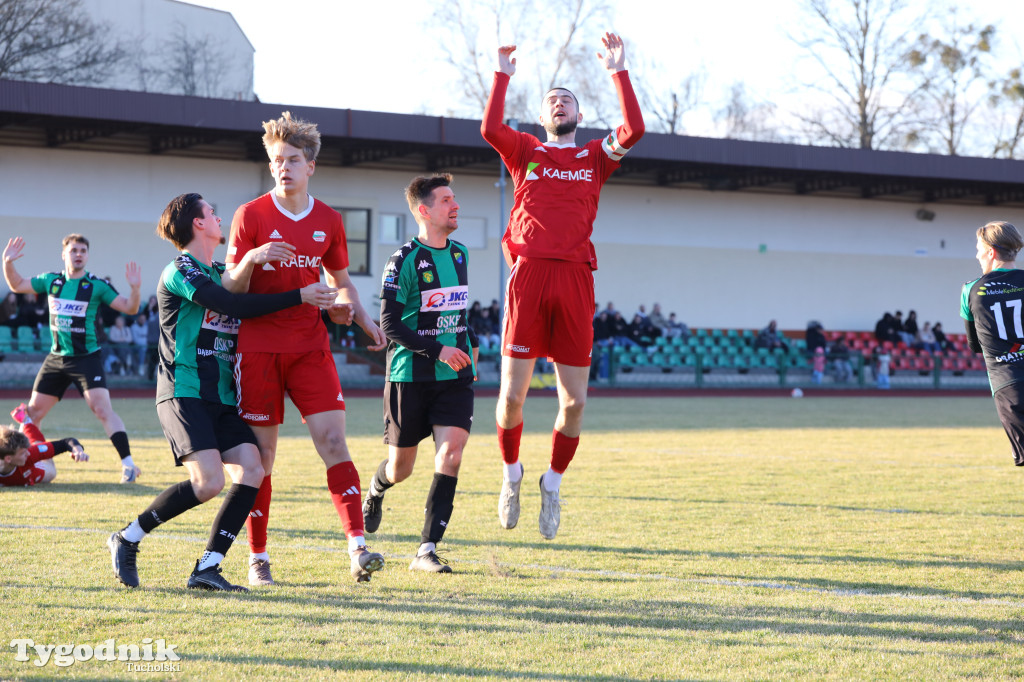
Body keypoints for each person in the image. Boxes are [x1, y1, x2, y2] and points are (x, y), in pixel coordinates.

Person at [106, 192, 337, 592]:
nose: (218, 217)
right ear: (198, 224)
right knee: (208, 483)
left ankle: (208, 567)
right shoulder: (180, 270)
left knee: (253, 469)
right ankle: (127, 538)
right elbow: (231, 305)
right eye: (211, 213)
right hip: (185, 391)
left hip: (223, 396)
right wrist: (299, 295)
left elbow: (241, 293)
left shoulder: (218, 269)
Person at [481, 32, 644, 539]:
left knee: (573, 403)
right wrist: (502, 72)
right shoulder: (525, 151)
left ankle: (551, 484)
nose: (559, 103)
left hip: (574, 279)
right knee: (511, 399)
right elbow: (489, 127)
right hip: (528, 276)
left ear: (578, 115)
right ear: (543, 115)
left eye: (567, 100)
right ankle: (512, 475)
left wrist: (619, 69)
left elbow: (635, 128)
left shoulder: (595, 157)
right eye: (552, 99)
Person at [225, 111, 388, 585]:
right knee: (262, 459)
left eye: (292, 159)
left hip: (309, 348)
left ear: (310, 165)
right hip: (256, 350)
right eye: (277, 160)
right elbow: (231, 289)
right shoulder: (249, 215)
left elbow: (342, 285)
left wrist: (355, 314)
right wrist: (252, 258)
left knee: (334, 442)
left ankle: (358, 549)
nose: (283, 167)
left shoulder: (329, 220)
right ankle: (257, 556)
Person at [361, 174, 478, 573]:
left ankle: (425, 550)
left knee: (451, 454)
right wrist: (438, 349)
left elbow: (457, 314)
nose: (456, 205)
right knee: (401, 468)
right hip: (409, 377)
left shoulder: (460, 254)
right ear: (424, 210)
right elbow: (390, 324)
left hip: (454, 379)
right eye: (447, 200)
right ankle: (375, 490)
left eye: (455, 198)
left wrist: (467, 344)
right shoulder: (403, 260)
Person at [2, 234, 143, 483]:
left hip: (86, 359)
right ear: (64, 254)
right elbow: (17, 285)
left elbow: (129, 308)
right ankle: (33, 462)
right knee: (31, 413)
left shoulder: (96, 285)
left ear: (87, 256)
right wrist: (7, 263)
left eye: (83, 250)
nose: (78, 254)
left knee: (102, 409)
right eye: (74, 250)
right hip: (56, 358)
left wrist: (135, 289)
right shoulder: (51, 280)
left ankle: (129, 465)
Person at [961, 221, 1024, 466]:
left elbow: (975, 345)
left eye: (979, 248)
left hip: (1008, 385)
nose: (977, 255)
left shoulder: (970, 289)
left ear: (991, 252)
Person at [1, 403, 88, 487]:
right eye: (23, 453)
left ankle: (26, 420)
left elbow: (65, 443)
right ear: (8, 458)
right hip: (20, 472)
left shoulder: (30, 455)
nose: (28, 453)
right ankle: (24, 422)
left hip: (32, 472)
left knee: (51, 471)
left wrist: (78, 451)